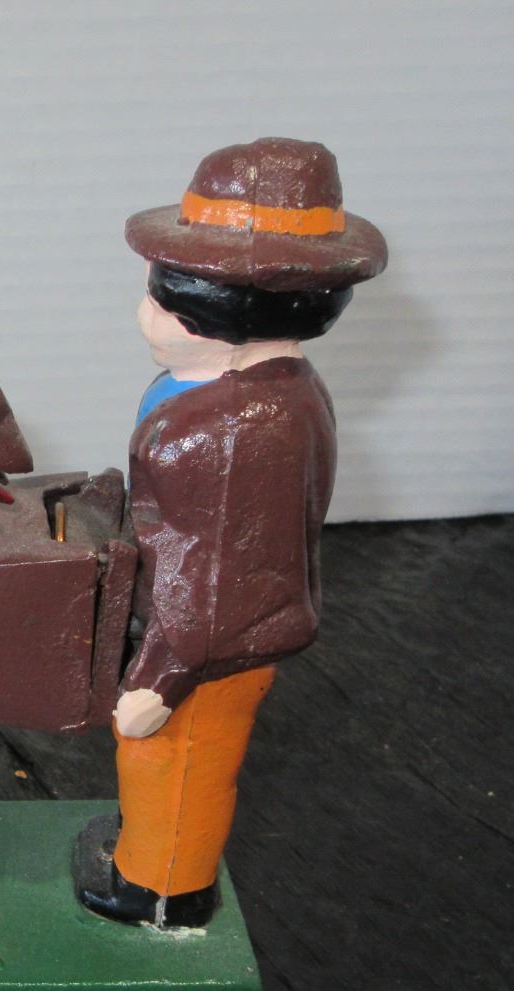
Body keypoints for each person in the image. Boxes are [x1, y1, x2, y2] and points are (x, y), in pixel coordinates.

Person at [76, 138, 388, 929]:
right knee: (159, 761)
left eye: (168, 305)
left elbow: (216, 577)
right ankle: (147, 850)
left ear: (235, 312)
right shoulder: (250, 389)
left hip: (210, 647)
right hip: (188, 624)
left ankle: (162, 891)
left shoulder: (233, 430)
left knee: (174, 757)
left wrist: (163, 675)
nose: (145, 317)